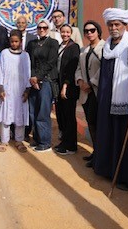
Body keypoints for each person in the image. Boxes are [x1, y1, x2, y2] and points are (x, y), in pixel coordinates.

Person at [93, 8, 128, 191]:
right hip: (107, 99)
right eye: (110, 25)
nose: (113, 28)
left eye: (117, 24)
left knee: (127, 138)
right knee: (109, 134)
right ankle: (108, 170)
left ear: (125, 25)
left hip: (127, 100)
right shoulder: (108, 45)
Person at [0, 30, 31, 153]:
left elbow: (28, 73)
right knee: (5, 115)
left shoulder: (25, 55)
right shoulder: (4, 53)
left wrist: (27, 90)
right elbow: (0, 70)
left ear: (21, 42)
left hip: (20, 90)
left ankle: (19, 140)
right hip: (7, 90)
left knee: (20, 115)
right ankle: (4, 140)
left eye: (16, 41)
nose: (14, 44)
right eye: (12, 41)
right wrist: (1, 88)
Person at [75, 20, 105, 167]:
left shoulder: (105, 48)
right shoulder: (84, 50)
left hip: (97, 92)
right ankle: (96, 152)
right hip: (85, 93)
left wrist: (91, 83)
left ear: (98, 31)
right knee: (91, 124)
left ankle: (101, 156)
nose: (89, 33)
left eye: (92, 30)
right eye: (86, 31)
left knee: (97, 125)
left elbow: (104, 68)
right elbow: (78, 68)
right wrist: (80, 81)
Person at [26, 18, 59, 152]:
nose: (42, 30)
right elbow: (30, 62)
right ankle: (37, 139)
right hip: (33, 81)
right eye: (39, 28)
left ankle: (45, 142)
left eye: (44, 27)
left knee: (43, 112)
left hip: (46, 81)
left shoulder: (53, 43)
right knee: (33, 111)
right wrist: (33, 78)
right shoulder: (32, 43)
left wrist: (38, 77)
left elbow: (51, 62)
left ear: (48, 29)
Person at [54, 24, 81, 155]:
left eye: (67, 32)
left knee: (69, 115)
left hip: (68, 87)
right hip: (59, 85)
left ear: (71, 33)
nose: (65, 34)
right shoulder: (60, 46)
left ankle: (71, 146)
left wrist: (65, 85)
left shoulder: (74, 47)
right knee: (61, 115)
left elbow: (72, 68)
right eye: (63, 32)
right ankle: (64, 142)